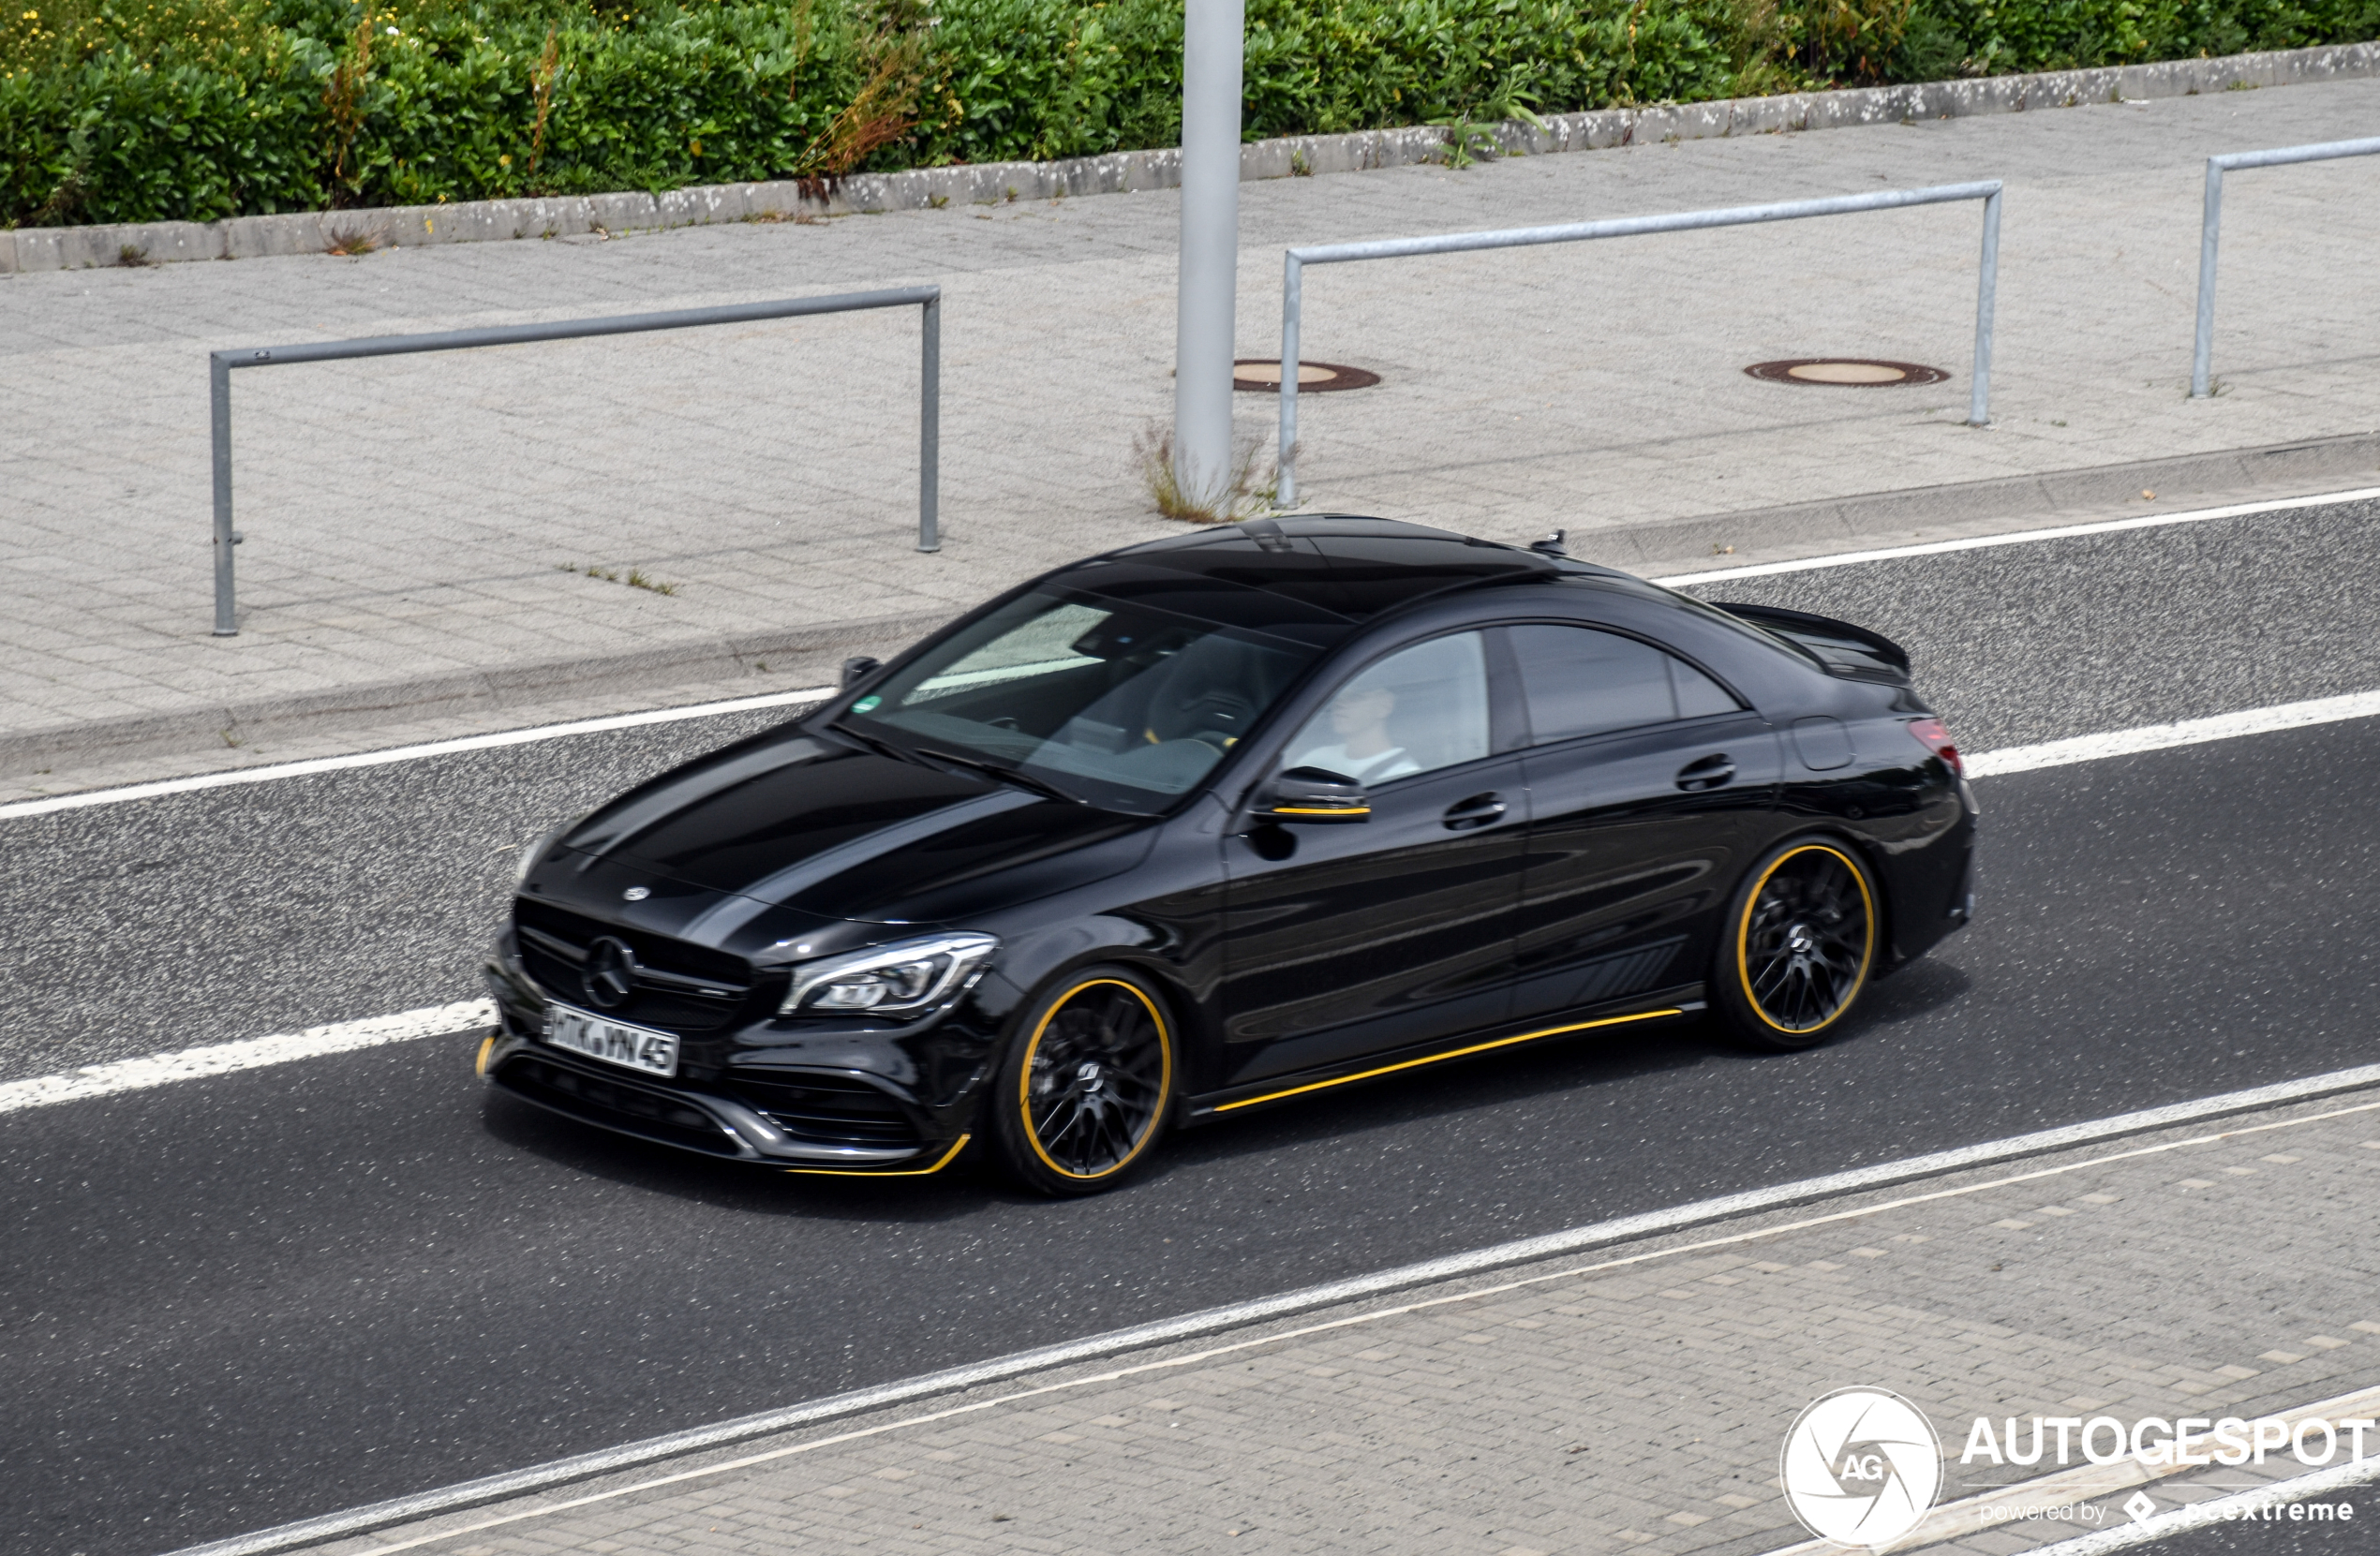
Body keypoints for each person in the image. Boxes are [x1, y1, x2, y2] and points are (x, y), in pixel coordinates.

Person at [1292, 682, 1421, 784]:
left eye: (1354, 696)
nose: (1339, 704)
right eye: (1336, 696)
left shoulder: (1403, 777)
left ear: (1385, 705)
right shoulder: (1316, 760)